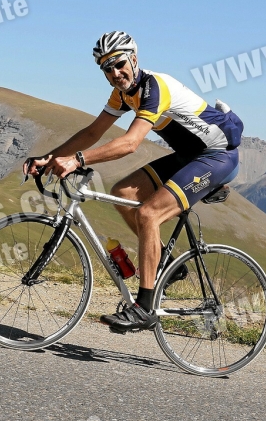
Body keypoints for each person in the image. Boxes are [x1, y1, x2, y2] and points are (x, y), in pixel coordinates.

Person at [24, 31, 243, 333]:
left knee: (148, 213)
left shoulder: (154, 87)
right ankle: (168, 267)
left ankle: (144, 307)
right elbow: (92, 133)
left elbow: (130, 143)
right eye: (106, 68)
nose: (115, 73)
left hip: (217, 156)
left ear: (134, 59)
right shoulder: (123, 93)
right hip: (190, 155)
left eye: (119, 64)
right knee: (122, 191)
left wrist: (77, 160)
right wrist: (48, 158)